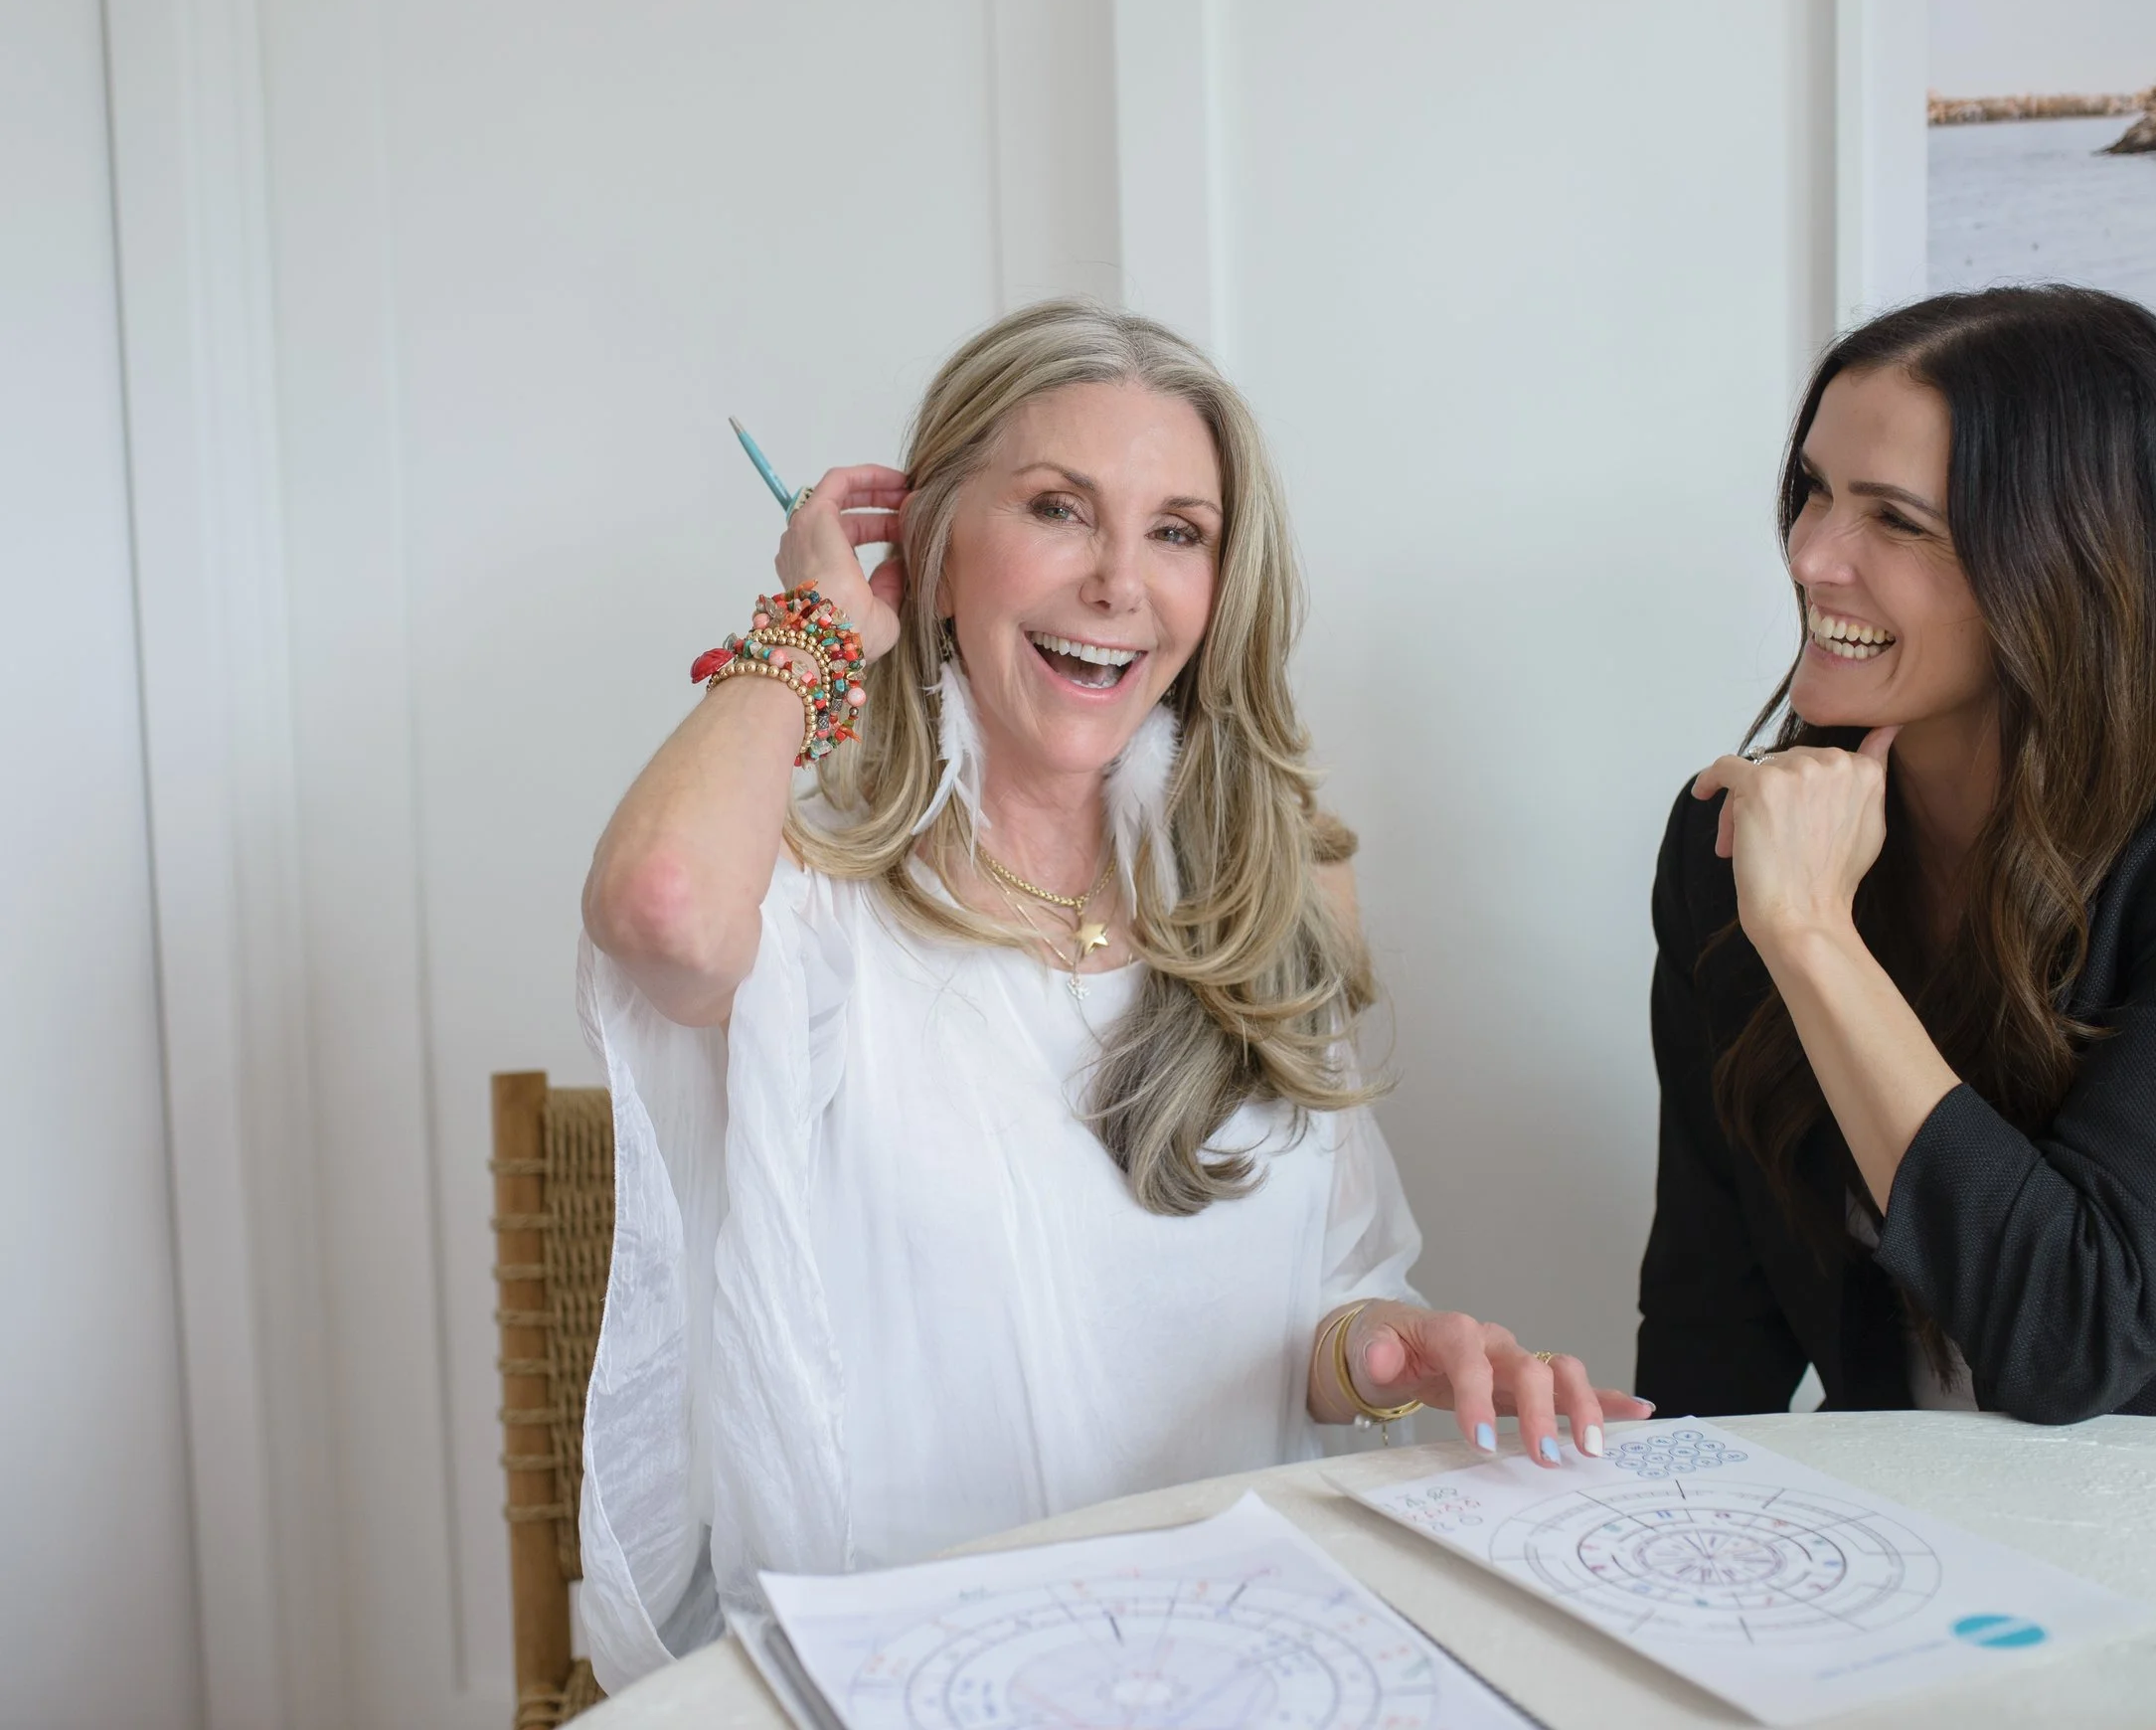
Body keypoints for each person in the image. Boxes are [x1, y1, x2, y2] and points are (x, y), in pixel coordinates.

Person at [579, 298, 1647, 1684]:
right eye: (1059, 510)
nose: (1119, 584)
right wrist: (815, 625)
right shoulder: (809, 908)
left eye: (1176, 531)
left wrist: (1395, 1353)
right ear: (935, 549)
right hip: (910, 1673)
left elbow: (1326, 1310)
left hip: (1235, 1661)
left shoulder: (1275, 890)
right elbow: (657, 906)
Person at [1636, 285, 2156, 1434]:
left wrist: (1811, 939)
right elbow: (1713, 1318)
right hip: (1924, 1550)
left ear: (2067, 560)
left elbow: (2078, 1327)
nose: (1808, 554)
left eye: (1893, 520)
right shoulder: (1738, 836)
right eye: (1811, 492)